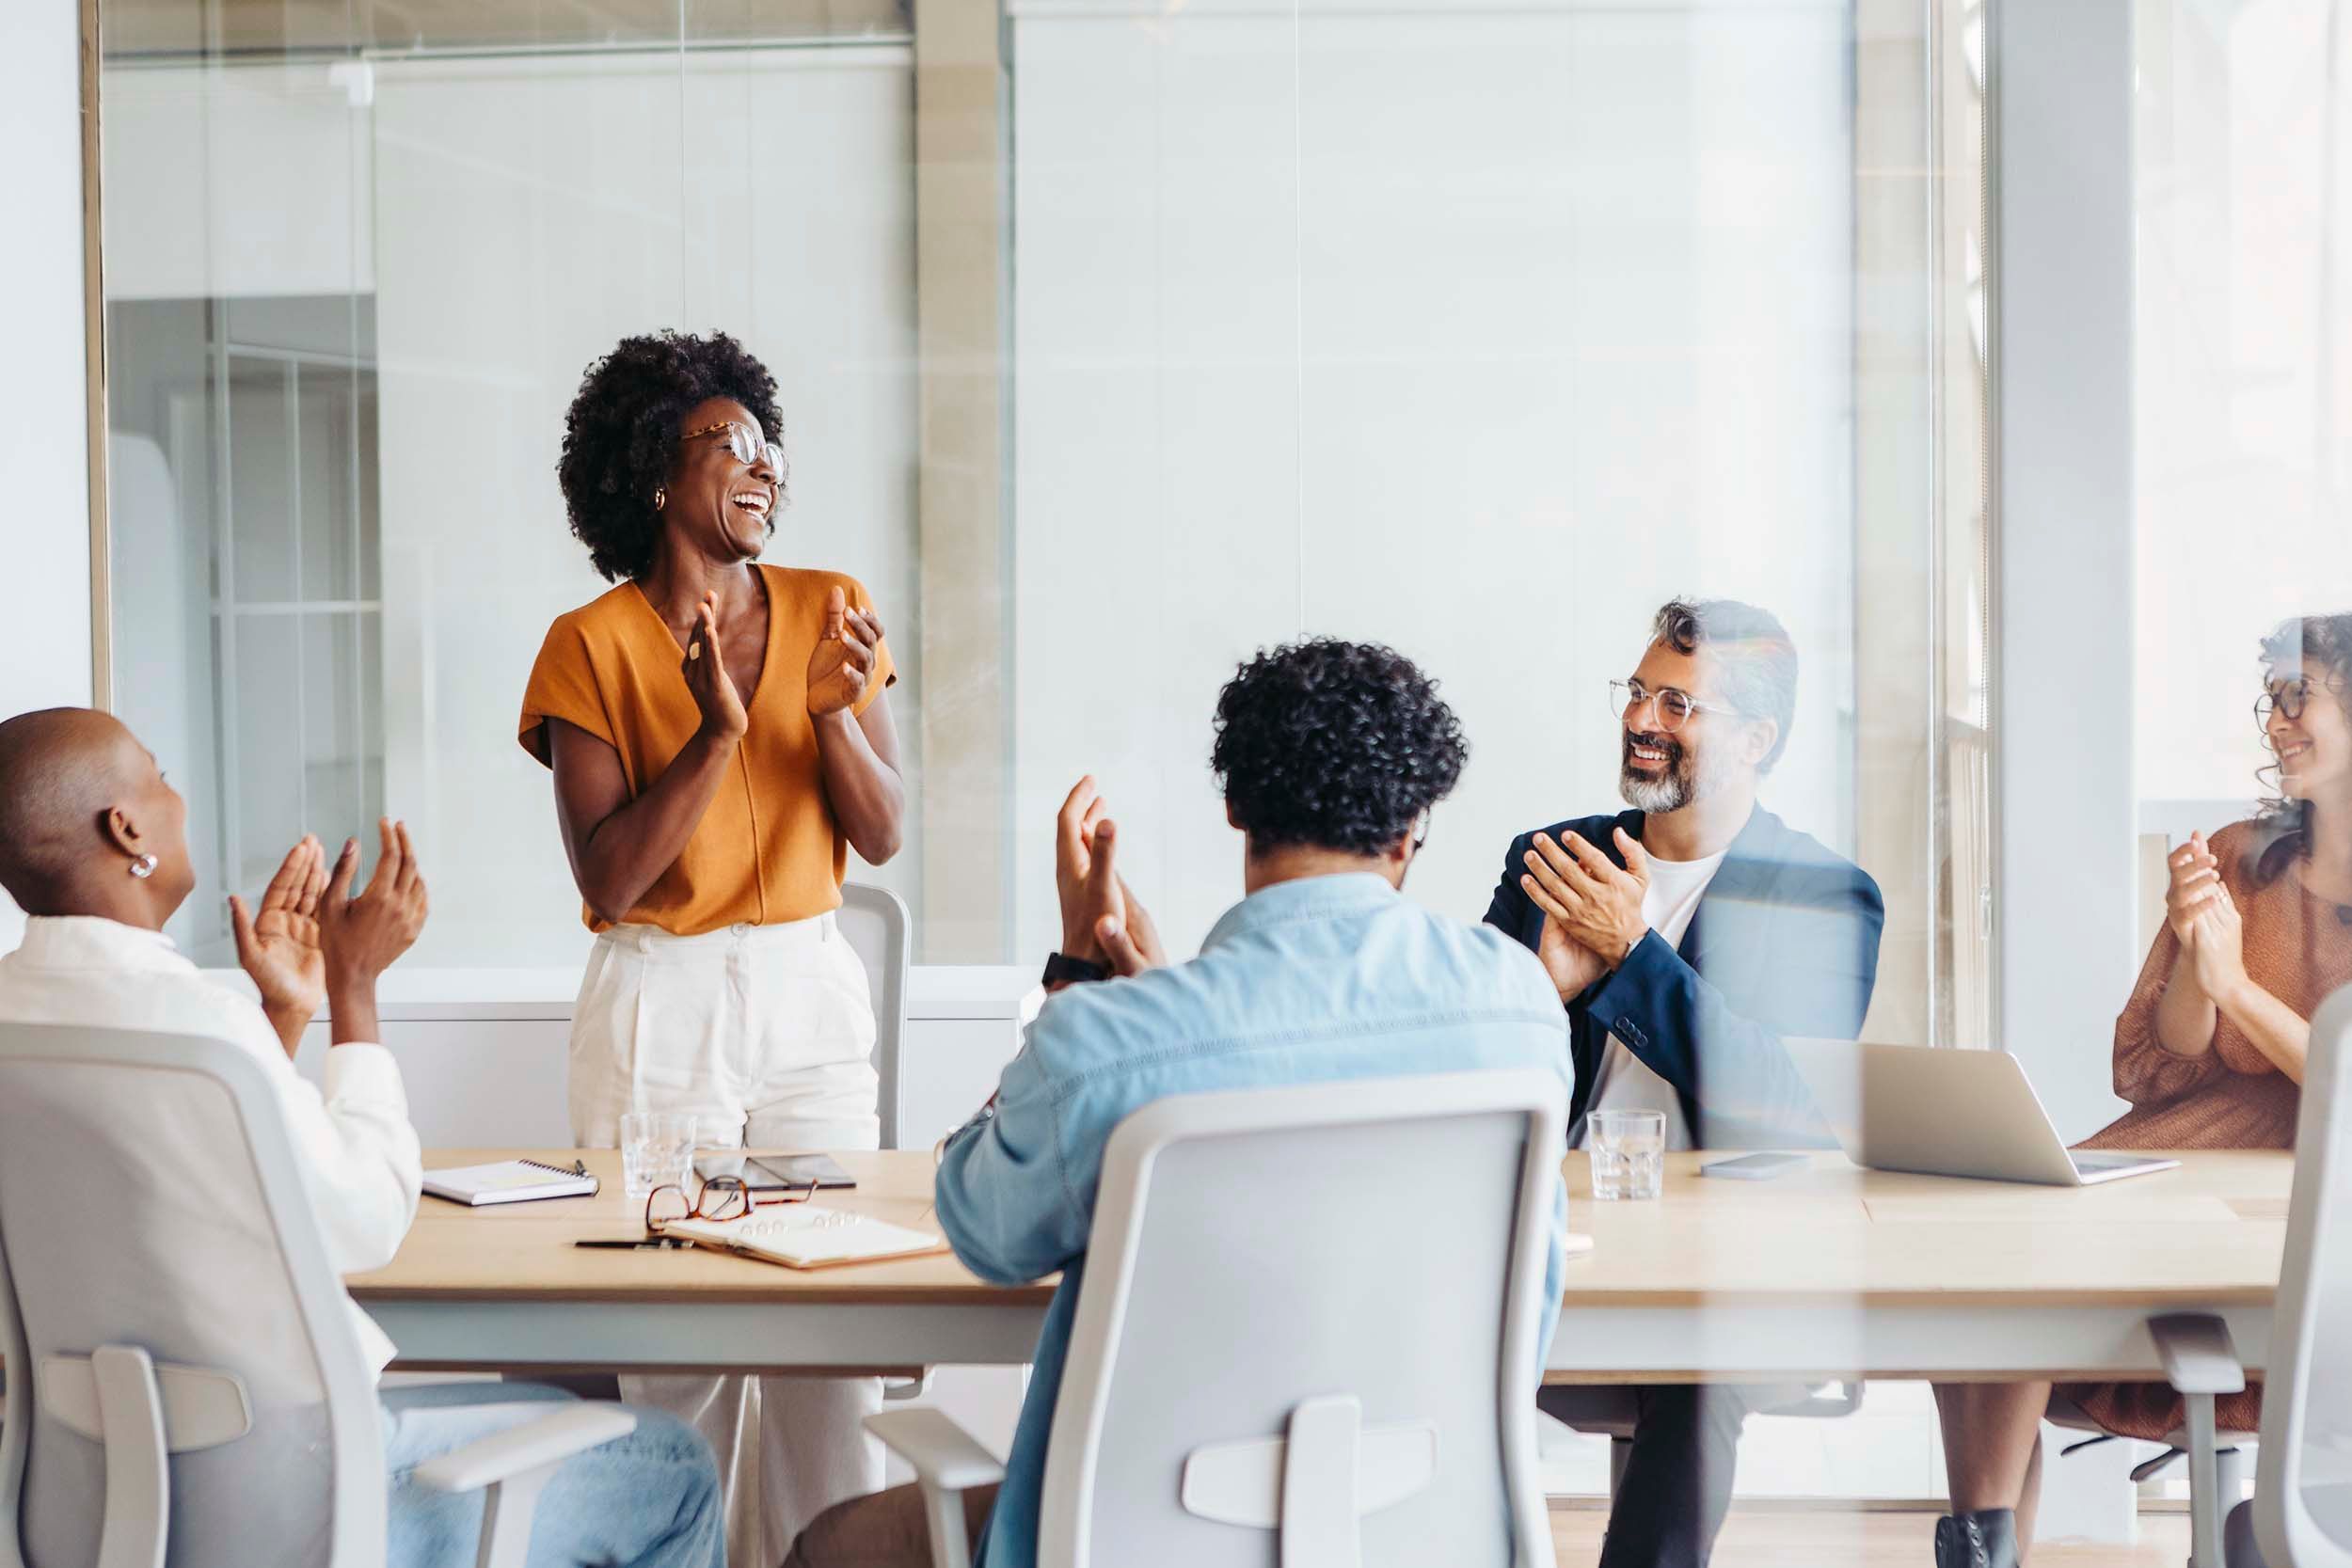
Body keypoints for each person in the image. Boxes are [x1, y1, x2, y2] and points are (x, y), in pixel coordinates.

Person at [782, 638, 1575, 1568]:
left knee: (832, 1544)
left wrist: (1080, 979)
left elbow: (984, 1230)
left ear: (1236, 806)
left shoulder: (1113, 1044)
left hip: (1126, 1537)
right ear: (1411, 831)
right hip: (1410, 1523)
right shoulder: (1513, 1007)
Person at [0, 707, 723, 1568]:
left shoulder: (38, 1024)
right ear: (126, 830)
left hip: (98, 1512)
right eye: (159, 777)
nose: (178, 797)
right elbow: (368, 1220)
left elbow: (164, 1172)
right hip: (300, 1512)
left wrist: (283, 1012)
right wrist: (355, 990)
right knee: (672, 1467)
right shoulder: (199, 1027)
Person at [518, 328, 904, 1564]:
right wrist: (715, 736)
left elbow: (885, 832)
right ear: (651, 471)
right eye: (726, 442)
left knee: (828, 1349)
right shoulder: (590, 641)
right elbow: (610, 872)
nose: (762, 469)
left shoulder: (832, 606)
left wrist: (832, 721)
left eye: (768, 446)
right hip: (658, 997)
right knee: (675, 1342)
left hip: (807, 991)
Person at [1930, 613, 2352, 1568]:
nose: (2275, 720)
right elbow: (2165, 1060)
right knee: (1985, 1271)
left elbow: (2348, 1080)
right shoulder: (2246, 854)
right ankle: (1981, 1543)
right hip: (2186, 1155)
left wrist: (2239, 982)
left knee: (2017, 1290)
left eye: (2300, 695)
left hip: (2310, 1199)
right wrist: (2201, 963)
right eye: (2269, 698)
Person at [1485, 597, 1884, 1568]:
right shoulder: (1556, 858)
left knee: (1705, 1362)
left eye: (1676, 701)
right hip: (1551, 1217)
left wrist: (1632, 958)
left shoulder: (1820, 892)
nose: (1640, 719)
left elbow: (1787, 1098)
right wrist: (1543, 990)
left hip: (1721, 1245)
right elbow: (1479, 1060)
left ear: (1754, 737)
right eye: (1636, 691)